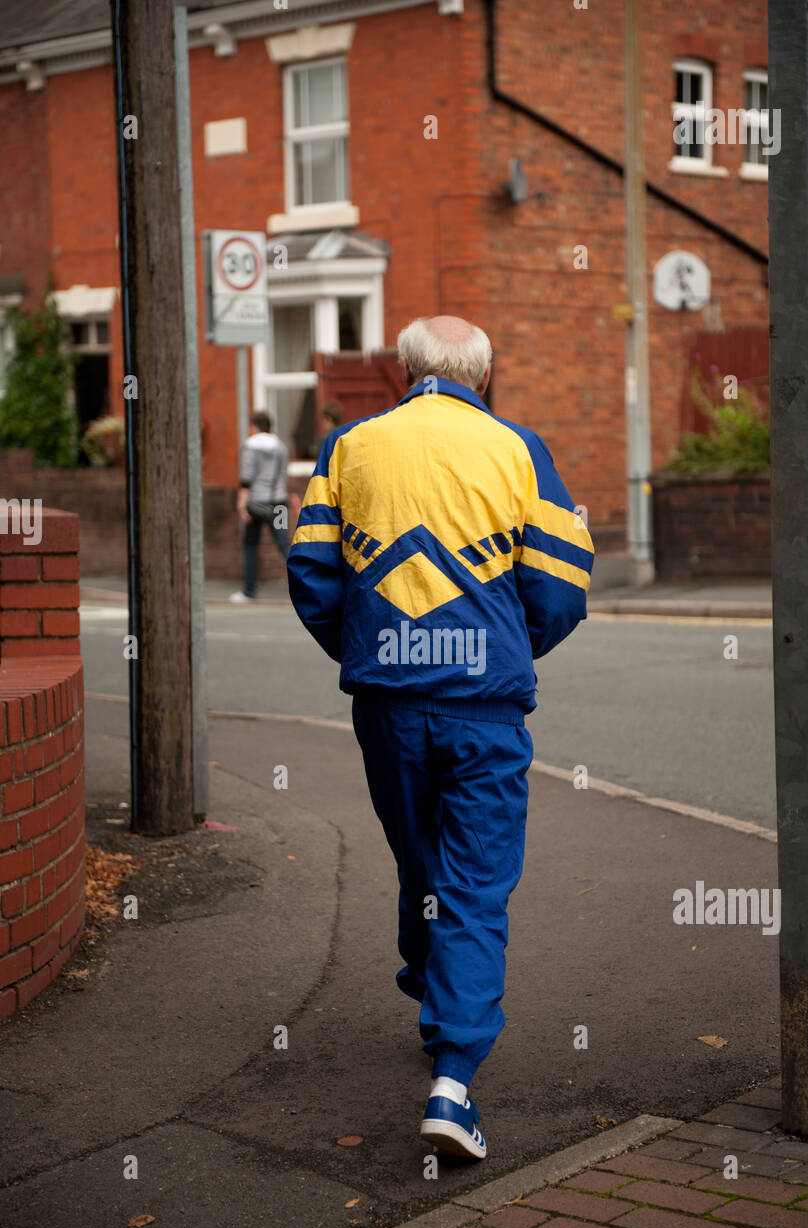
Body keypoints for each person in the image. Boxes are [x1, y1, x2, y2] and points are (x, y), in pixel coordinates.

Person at [287, 316, 593, 1159]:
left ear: (402, 369)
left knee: (421, 857)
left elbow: (312, 575)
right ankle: (453, 1084)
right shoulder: (518, 448)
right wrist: (503, 646)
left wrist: (370, 651)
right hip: (482, 705)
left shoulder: (349, 446)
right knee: (476, 881)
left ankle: (430, 978)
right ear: (483, 376)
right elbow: (562, 586)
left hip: (387, 702)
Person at [230, 411, 295, 603]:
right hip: (279, 502)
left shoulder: (250, 446)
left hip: (257, 504)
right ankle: (308, 585)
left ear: (254, 426)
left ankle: (249, 591)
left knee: (250, 544)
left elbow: (246, 479)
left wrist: (242, 506)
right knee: (285, 544)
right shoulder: (281, 446)